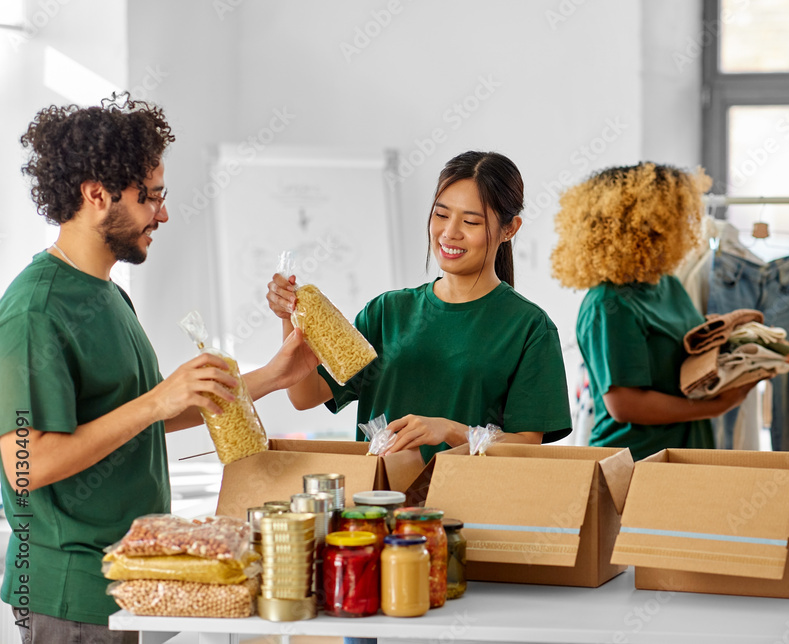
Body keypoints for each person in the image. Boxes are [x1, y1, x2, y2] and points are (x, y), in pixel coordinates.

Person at [0, 96, 314, 643]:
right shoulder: (36, 310)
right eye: (153, 197)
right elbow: (28, 465)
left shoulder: (109, 295)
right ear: (97, 195)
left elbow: (141, 420)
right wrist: (157, 400)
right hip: (76, 590)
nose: (163, 214)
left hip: (133, 576)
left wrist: (273, 375)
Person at [267, 151, 572, 463]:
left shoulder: (529, 328)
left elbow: (525, 446)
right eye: (441, 215)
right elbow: (305, 396)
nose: (450, 232)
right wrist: (291, 317)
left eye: (470, 221)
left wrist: (452, 431)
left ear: (509, 229)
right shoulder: (387, 312)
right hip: (379, 504)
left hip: (471, 507)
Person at [550, 163, 759, 462]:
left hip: (687, 455)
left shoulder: (668, 285)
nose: (678, 226)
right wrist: (715, 407)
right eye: (667, 217)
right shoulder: (609, 304)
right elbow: (625, 405)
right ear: (633, 226)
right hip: (635, 463)